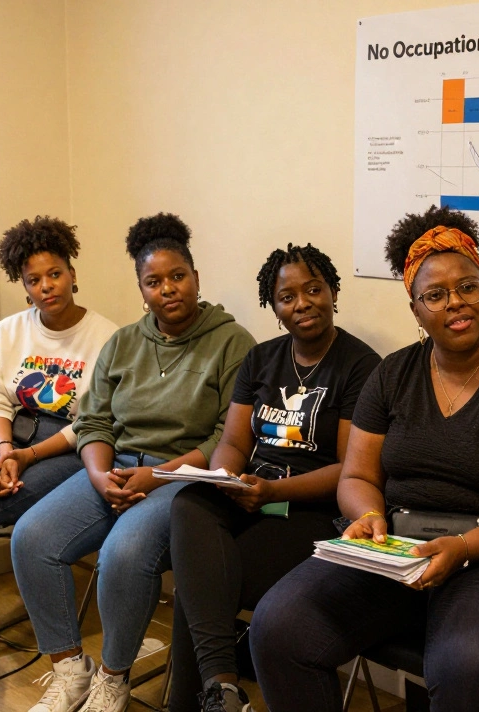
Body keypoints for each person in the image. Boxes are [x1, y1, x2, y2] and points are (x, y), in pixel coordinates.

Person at [250, 206, 479, 712]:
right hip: (400, 546)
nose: (456, 303)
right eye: (434, 294)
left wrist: (463, 545)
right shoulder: (393, 375)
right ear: (414, 309)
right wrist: (367, 516)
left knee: (469, 669)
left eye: (468, 287)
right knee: (279, 627)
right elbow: (357, 475)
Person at [11, 213, 255, 712]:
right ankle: (69, 671)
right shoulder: (123, 343)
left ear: (196, 277)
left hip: (185, 480)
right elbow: (94, 421)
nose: (167, 289)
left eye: (177, 277)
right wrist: (100, 476)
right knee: (31, 537)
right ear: (141, 289)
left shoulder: (234, 343)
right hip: (116, 467)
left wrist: (158, 475)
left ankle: (113, 678)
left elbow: (226, 437)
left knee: (122, 554)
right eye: (153, 282)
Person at [167, 243, 381, 712]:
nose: (302, 303)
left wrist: (274, 490)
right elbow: (234, 442)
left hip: (310, 508)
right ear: (275, 307)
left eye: (313, 289)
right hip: (251, 492)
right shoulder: (261, 359)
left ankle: (198, 699)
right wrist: (225, 477)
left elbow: (351, 470)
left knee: (201, 581)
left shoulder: (360, 365)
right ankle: (222, 688)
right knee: (187, 504)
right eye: (287, 296)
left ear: (332, 292)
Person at [0, 217, 118, 676]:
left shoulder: (107, 336)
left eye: (55, 274)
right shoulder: (9, 331)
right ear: (23, 286)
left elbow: (94, 421)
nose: (47, 286)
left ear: (72, 273)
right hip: (14, 440)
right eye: (34, 280)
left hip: (73, 451)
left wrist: (24, 456)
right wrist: (6, 449)